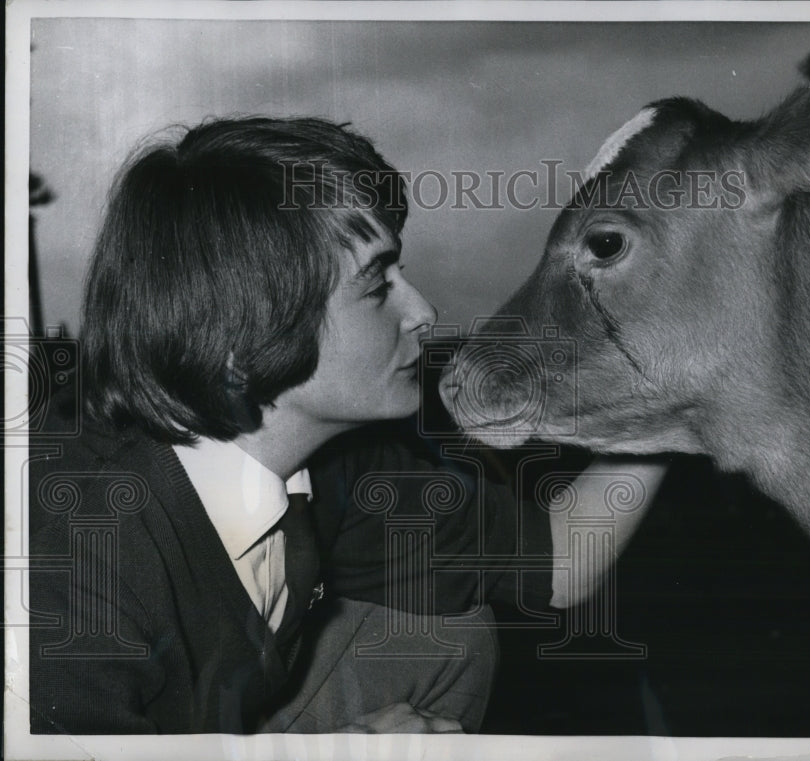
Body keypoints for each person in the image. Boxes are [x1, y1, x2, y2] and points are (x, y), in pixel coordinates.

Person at [29, 116, 668, 735]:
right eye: (375, 285)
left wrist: (673, 400)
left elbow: (559, 565)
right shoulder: (73, 544)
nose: (423, 310)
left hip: (213, 725)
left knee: (445, 641)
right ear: (243, 339)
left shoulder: (330, 461)